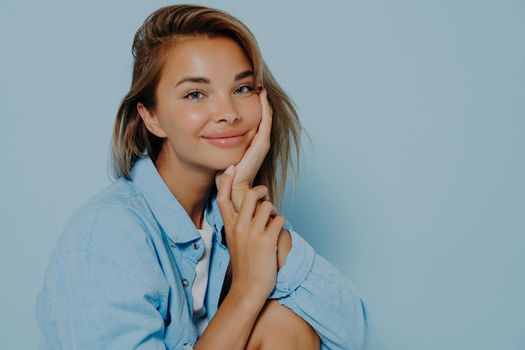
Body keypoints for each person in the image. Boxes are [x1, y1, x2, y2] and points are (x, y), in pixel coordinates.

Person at [35, 4, 369, 349]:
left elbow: (351, 336)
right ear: (152, 117)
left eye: (242, 89)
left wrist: (252, 213)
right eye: (196, 94)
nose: (228, 113)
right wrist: (246, 291)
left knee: (285, 325)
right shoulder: (107, 237)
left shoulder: (226, 216)